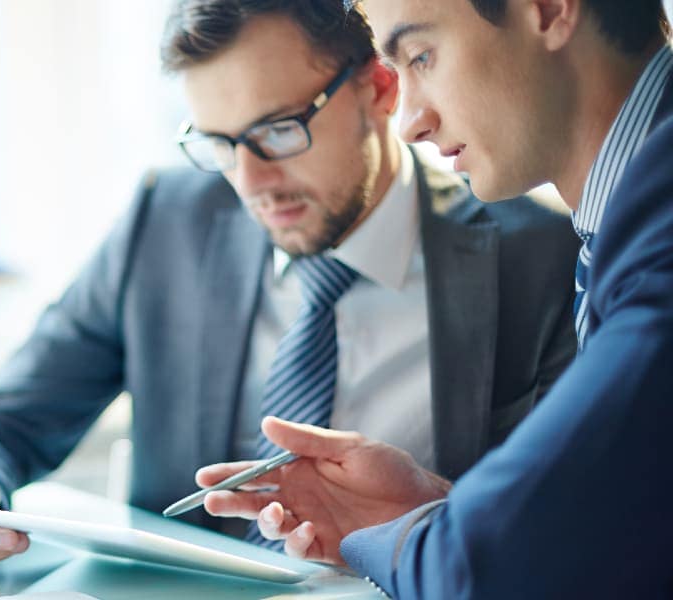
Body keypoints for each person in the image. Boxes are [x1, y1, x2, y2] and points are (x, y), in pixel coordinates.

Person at [0, 0, 579, 576]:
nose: (251, 184)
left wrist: (430, 515)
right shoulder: (168, 222)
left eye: (278, 131)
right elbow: (1, 419)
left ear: (379, 89)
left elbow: (565, 526)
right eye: (218, 143)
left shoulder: (536, 258)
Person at [198, 0, 673, 597]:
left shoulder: (658, 231)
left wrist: (434, 533)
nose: (410, 122)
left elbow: (488, 566)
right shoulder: (628, 217)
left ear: (550, 9)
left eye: (421, 55)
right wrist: (439, 511)